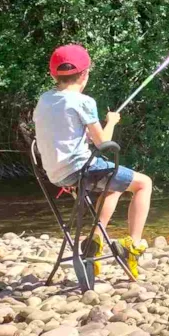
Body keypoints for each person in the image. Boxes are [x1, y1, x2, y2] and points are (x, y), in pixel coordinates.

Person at [33, 44, 152, 278]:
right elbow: (103, 143)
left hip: (56, 174)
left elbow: (62, 131)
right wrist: (112, 121)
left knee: (115, 187)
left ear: (53, 74)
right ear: (85, 75)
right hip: (81, 171)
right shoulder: (83, 102)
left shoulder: (45, 100)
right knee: (144, 183)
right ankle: (133, 246)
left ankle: (96, 238)